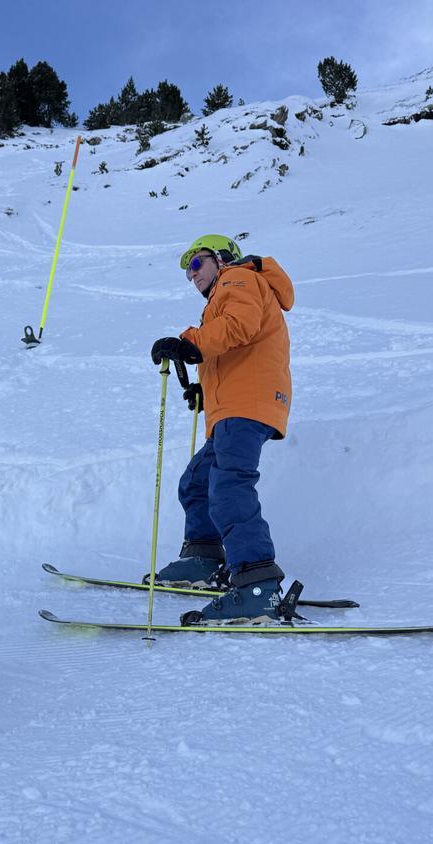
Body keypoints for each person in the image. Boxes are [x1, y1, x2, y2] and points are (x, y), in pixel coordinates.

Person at [149, 234, 295, 624]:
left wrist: (189, 344)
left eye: (196, 264)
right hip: (235, 406)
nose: (192, 275)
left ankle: (256, 585)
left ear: (221, 258)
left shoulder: (238, 279)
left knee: (229, 486)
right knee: (197, 481)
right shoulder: (224, 295)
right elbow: (234, 347)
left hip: (246, 406)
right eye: (187, 271)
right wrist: (204, 387)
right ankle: (204, 559)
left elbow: (239, 326)